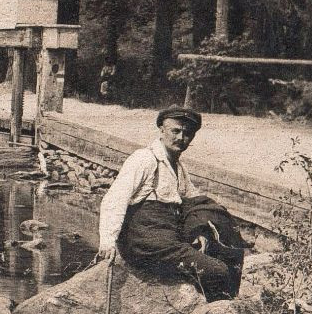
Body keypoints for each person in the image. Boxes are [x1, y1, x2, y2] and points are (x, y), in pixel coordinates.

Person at [95, 107, 249, 301]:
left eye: (187, 133)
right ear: (161, 129)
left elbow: (194, 202)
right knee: (217, 271)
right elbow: (116, 197)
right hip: (144, 241)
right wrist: (108, 241)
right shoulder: (145, 158)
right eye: (175, 131)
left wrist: (200, 231)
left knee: (222, 252)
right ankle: (217, 310)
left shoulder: (178, 167)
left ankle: (219, 309)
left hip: (168, 238)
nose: (180, 138)